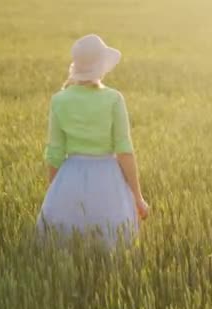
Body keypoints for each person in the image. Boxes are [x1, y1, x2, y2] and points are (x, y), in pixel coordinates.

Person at [37, 34, 149, 246]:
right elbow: (124, 151)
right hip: (108, 177)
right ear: (102, 65)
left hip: (70, 175)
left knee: (66, 243)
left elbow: (55, 154)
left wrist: (57, 194)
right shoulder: (114, 99)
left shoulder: (59, 100)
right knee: (111, 242)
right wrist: (138, 197)